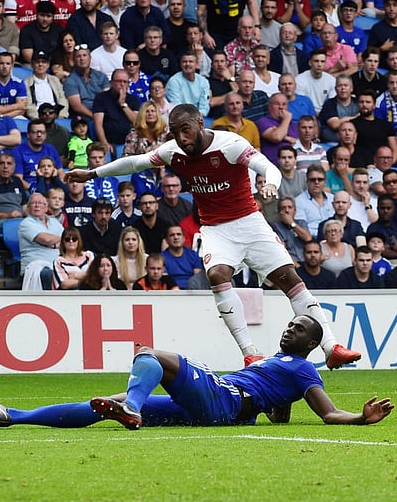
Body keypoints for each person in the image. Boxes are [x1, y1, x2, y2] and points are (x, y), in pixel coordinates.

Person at [66, 104, 361, 368]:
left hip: (250, 223)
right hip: (216, 230)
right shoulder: (173, 151)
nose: (182, 138)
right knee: (217, 274)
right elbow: (135, 162)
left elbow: (267, 167)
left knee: (291, 280)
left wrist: (270, 184)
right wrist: (91, 174)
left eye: (186, 130)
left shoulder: (230, 145)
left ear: (199, 124)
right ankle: (250, 353)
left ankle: (331, 347)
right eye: (175, 132)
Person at [0, 315, 393, 430]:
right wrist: (273, 404)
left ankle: (134, 407)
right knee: (105, 404)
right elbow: (277, 411)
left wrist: (360, 418)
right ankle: (11, 416)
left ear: (311, 343)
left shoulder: (304, 370)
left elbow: (327, 412)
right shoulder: (279, 365)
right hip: (222, 407)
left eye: (299, 329)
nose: (289, 329)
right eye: (289, 324)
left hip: (224, 398)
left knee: (151, 355)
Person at [18, 192, 63, 289]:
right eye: (33, 203)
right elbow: (46, 239)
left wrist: (54, 244)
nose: (37, 205)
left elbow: (67, 239)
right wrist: (57, 240)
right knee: (52, 275)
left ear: (46, 207)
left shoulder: (55, 222)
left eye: (40, 203)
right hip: (35, 268)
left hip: (57, 264)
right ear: (28, 208)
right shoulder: (26, 223)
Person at [295, 165, 334, 237]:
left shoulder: (333, 199)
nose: (316, 182)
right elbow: (302, 228)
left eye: (320, 179)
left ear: (325, 182)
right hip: (312, 240)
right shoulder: (298, 201)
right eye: (312, 179)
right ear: (307, 181)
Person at [272, 197, 312, 266]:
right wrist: (294, 264)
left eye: (289, 207)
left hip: (307, 262)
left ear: (295, 211)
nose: (287, 210)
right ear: (279, 212)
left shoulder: (301, 223)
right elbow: (281, 250)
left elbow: (308, 238)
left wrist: (291, 223)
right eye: (283, 208)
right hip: (290, 264)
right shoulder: (275, 227)